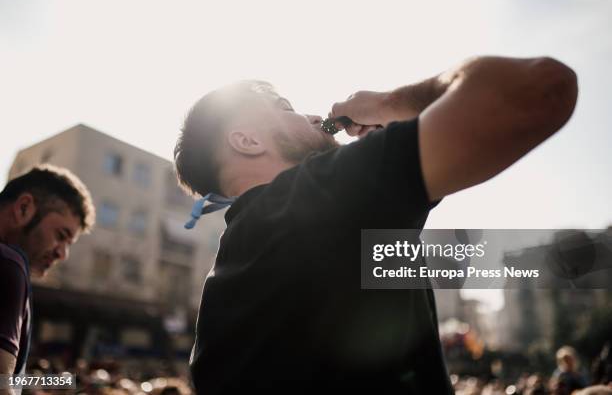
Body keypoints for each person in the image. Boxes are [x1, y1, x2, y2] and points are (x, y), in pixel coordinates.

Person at [174, 56, 578, 394]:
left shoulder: (231, 277)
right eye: (283, 106)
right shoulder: (318, 197)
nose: (313, 114)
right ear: (246, 140)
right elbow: (542, 88)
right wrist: (391, 103)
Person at [0, 165, 95, 393]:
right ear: (24, 208)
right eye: (61, 236)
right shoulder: (9, 264)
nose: (62, 254)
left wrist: (61, 381)